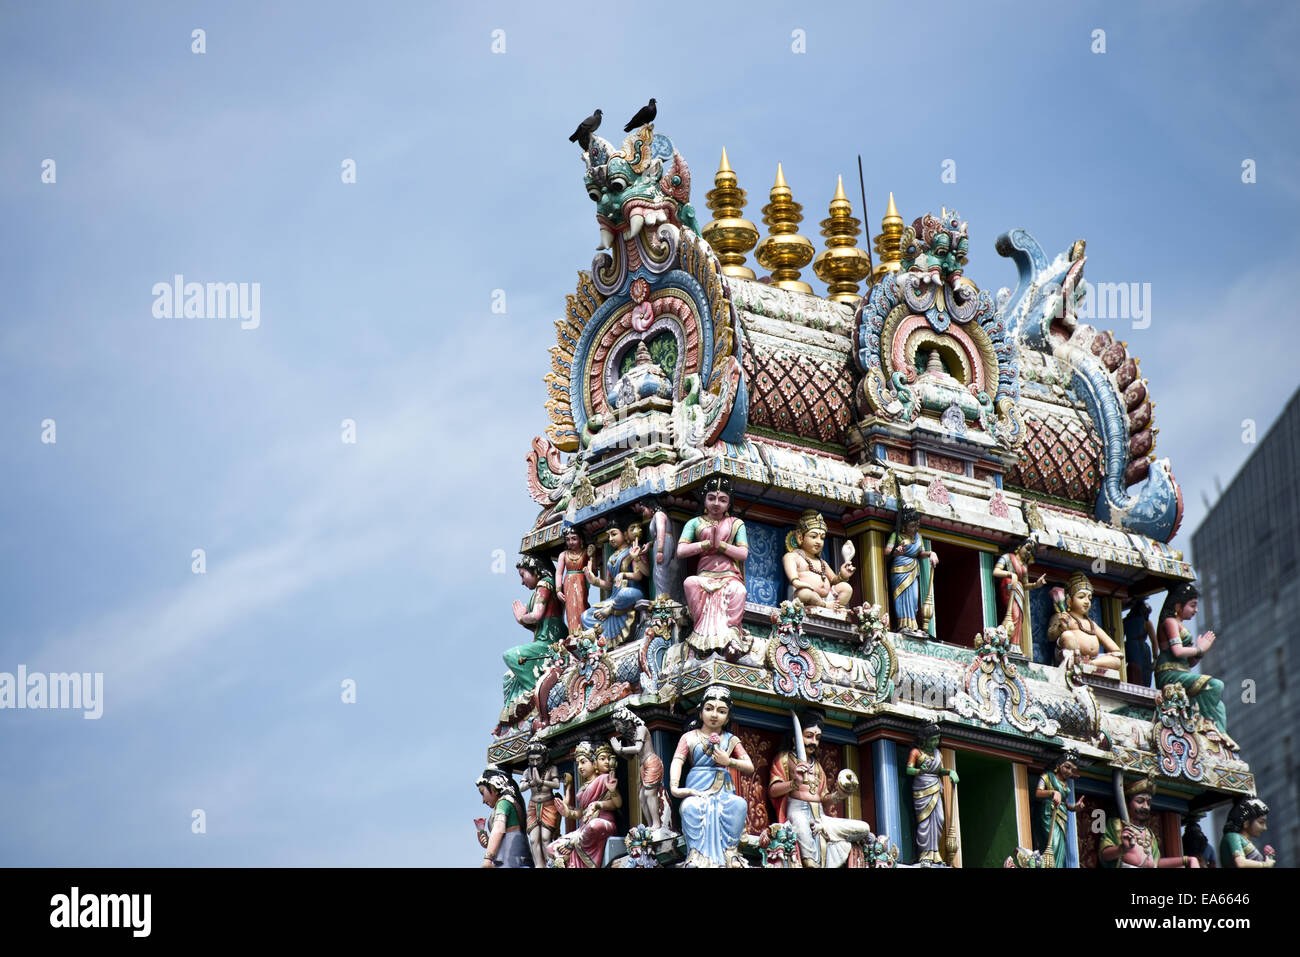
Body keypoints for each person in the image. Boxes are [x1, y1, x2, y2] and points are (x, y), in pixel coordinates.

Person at [669, 685, 755, 866]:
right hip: (697, 789)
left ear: (727, 717)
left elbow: (749, 767)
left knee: (739, 805)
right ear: (700, 713)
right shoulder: (689, 737)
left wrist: (728, 761)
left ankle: (731, 852)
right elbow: (678, 761)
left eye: (721, 711)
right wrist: (675, 786)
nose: (714, 715)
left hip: (724, 791)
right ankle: (696, 854)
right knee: (690, 808)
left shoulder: (731, 739)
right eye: (709, 709)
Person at [769, 709, 857, 867]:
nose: (814, 742)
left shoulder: (817, 766)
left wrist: (840, 795)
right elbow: (773, 790)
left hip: (820, 817)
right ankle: (810, 861)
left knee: (863, 828)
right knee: (801, 823)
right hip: (797, 810)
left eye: (817, 738)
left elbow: (824, 799)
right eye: (808, 736)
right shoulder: (784, 759)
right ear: (795, 739)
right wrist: (793, 783)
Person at [678, 477, 749, 653]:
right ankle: (700, 634)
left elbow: (743, 554)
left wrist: (721, 546)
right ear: (704, 499)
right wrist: (706, 544)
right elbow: (681, 550)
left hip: (729, 574)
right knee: (690, 583)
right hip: (705, 575)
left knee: (739, 590)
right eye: (711, 498)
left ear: (729, 503)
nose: (716, 503)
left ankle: (732, 635)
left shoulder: (736, 524)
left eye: (723, 500)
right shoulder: (694, 523)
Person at [1155, 582, 1231, 742]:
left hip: (1181, 672)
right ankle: (1206, 725)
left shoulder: (1180, 625)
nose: (1196, 610)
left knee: (1219, 705)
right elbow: (1177, 651)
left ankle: (1221, 735)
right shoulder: (1170, 622)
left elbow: (1188, 663)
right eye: (1192, 605)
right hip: (1169, 674)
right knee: (1215, 685)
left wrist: (1199, 653)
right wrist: (1200, 649)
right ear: (1178, 605)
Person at [504, 554, 565, 707]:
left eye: (523, 575)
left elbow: (537, 615)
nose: (522, 582)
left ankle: (536, 693)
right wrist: (524, 620)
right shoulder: (542, 588)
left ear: (535, 570)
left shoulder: (544, 584)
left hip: (550, 641)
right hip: (546, 637)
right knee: (510, 676)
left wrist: (521, 618)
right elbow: (538, 625)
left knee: (511, 656)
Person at [548, 741, 621, 868]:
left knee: (593, 825)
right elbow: (582, 812)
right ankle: (570, 855)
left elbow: (617, 804)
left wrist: (604, 799)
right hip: (584, 829)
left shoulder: (604, 779)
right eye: (577, 764)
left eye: (583, 762)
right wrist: (568, 813)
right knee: (551, 848)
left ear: (594, 763)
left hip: (603, 822)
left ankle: (574, 844)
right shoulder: (582, 788)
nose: (580, 767)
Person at [1100, 776, 1198, 868]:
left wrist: (1187, 859)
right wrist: (1122, 849)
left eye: (1149, 803)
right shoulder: (1118, 825)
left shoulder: (1149, 833)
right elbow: (1104, 854)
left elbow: (1155, 862)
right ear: (1127, 804)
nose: (1145, 807)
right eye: (1140, 801)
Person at [580, 515, 649, 645]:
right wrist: (595, 581)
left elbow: (640, 575)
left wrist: (627, 572)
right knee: (585, 617)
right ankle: (607, 619)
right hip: (615, 598)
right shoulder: (611, 558)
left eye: (614, 534)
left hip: (632, 592)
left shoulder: (632, 550)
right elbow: (610, 585)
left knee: (624, 593)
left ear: (624, 533)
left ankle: (610, 611)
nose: (610, 539)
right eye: (609, 536)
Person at [610, 705, 673, 837]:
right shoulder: (630, 736)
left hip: (652, 762)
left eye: (618, 724)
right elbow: (630, 756)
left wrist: (619, 749)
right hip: (643, 765)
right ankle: (651, 824)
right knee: (642, 797)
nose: (617, 729)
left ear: (626, 721)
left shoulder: (641, 729)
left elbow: (638, 748)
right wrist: (619, 751)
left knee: (650, 793)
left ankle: (657, 824)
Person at [1048, 572, 1122, 673]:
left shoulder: (1092, 624)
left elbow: (1115, 649)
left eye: (1089, 598)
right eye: (1081, 597)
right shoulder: (1062, 617)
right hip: (1070, 657)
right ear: (1069, 601)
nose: (1087, 601)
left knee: (1117, 661)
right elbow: (1050, 636)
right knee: (1067, 635)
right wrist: (1061, 628)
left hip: (1091, 661)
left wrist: (1111, 656)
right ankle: (1077, 662)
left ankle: (1090, 665)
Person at [783, 510, 855, 611]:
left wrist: (842, 575)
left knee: (846, 587)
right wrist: (798, 583)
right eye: (813, 536)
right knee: (805, 594)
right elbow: (794, 579)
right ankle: (825, 606)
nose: (819, 542)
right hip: (807, 596)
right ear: (800, 537)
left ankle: (838, 608)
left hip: (827, 597)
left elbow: (834, 581)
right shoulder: (792, 557)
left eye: (822, 538)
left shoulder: (822, 563)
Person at [906, 722, 957, 865]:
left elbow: (939, 770)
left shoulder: (937, 753)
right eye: (933, 739)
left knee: (939, 819)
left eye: (937, 739)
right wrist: (920, 771)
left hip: (935, 785)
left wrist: (949, 772)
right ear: (924, 739)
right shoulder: (916, 752)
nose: (936, 742)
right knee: (925, 822)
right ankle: (925, 854)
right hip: (922, 788)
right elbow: (909, 770)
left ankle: (935, 853)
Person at [887, 507, 937, 635]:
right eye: (912, 526)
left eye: (917, 525)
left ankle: (912, 625)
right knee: (902, 597)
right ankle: (902, 625)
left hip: (913, 568)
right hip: (900, 569)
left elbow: (920, 553)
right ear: (904, 527)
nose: (915, 529)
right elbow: (886, 551)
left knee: (914, 598)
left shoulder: (918, 537)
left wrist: (931, 553)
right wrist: (896, 551)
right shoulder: (897, 536)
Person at [476, 766, 533, 868]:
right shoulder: (509, 802)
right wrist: (489, 843)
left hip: (512, 860)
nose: (483, 800)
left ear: (493, 787)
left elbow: (498, 829)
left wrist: (488, 859)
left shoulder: (504, 803)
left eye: (482, 792)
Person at [520, 738, 564, 868]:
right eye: (531, 760)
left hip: (548, 804)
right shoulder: (528, 771)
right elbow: (521, 787)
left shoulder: (552, 769)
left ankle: (549, 863)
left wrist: (542, 782)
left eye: (538, 759)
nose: (534, 762)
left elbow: (556, 785)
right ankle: (539, 865)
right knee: (533, 839)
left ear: (544, 758)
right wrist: (531, 783)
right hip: (533, 805)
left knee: (545, 838)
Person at [992, 538, 1046, 646]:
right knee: (1013, 614)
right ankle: (1007, 642)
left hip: (1019, 590)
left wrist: (1036, 584)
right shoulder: (1007, 557)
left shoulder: (1024, 567)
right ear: (1019, 547)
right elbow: (996, 572)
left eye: (1031, 552)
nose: (1028, 552)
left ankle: (1014, 645)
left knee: (1019, 617)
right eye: (1028, 548)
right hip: (1009, 586)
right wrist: (1011, 575)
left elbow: (1025, 585)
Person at [1034, 751, 1084, 867]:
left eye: (1072, 770)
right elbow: (1038, 793)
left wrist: (1074, 807)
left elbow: (1065, 803)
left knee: (1061, 850)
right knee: (1053, 844)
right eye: (1067, 767)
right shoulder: (1047, 776)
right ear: (1059, 765)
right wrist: (1052, 792)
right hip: (1049, 813)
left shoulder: (1065, 784)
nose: (1069, 772)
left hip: (1062, 817)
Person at [631, 498, 678, 602]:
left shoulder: (659, 515)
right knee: (659, 570)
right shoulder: (656, 516)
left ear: (650, 507)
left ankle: (663, 597)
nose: (643, 514)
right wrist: (649, 545)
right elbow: (658, 536)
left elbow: (661, 531)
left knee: (660, 570)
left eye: (643, 510)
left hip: (663, 543)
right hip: (661, 542)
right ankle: (661, 595)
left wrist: (660, 551)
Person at [1220, 797, 1275, 868]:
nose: (1265, 828)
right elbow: (1241, 863)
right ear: (1246, 823)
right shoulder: (1233, 837)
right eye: (1261, 822)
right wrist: (1265, 864)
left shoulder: (1244, 840)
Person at [557, 527, 592, 635]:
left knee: (581, 604)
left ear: (581, 540)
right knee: (570, 607)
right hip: (568, 583)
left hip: (581, 582)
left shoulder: (585, 553)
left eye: (574, 539)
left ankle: (583, 630)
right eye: (568, 539)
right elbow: (559, 573)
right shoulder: (563, 555)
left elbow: (593, 570)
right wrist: (558, 590)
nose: (570, 542)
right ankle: (573, 633)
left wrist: (592, 557)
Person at [1123, 597, 1157, 687]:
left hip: (1128, 647)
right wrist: (1156, 658)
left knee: (1133, 672)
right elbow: (1154, 641)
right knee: (1143, 674)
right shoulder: (1147, 622)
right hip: (1141, 649)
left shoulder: (1125, 621)